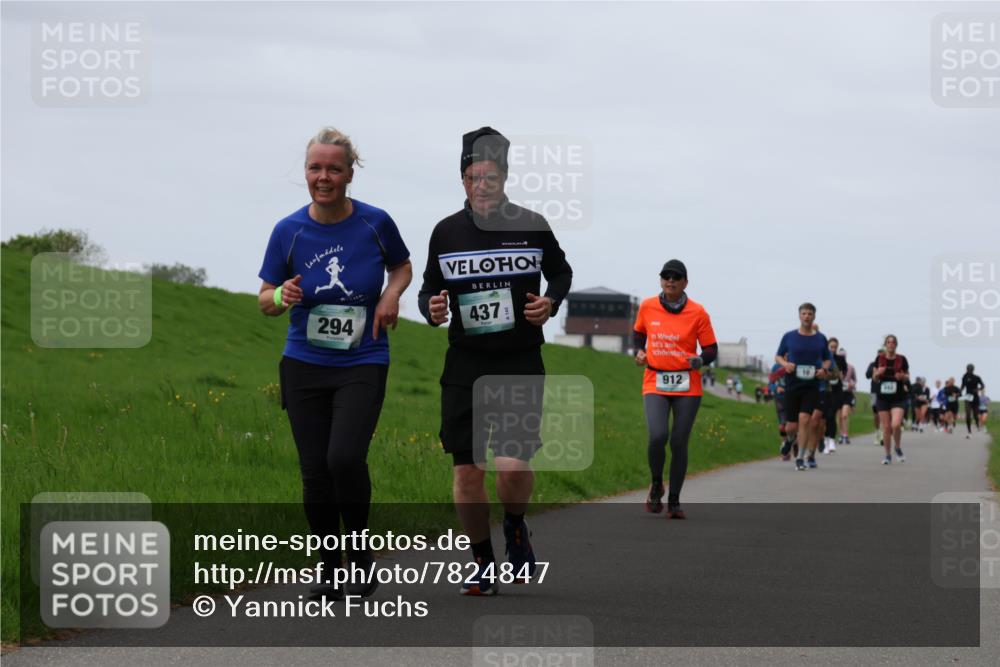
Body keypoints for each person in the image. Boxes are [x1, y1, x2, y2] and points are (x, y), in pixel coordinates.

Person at [258, 127, 412, 601]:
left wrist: (390, 295)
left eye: (333, 169)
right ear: (306, 173)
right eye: (315, 168)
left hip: (363, 358)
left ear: (350, 174)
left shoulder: (374, 222)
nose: (323, 177)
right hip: (303, 363)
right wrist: (283, 294)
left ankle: (360, 555)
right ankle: (328, 566)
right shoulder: (288, 230)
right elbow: (265, 298)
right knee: (315, 471)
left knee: (344, 458)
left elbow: (402, 266)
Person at [417, 127, 573, 595]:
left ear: (504, 178)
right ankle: (483, 563)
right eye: (471, 177)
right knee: (467, 471)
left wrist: (551, 301)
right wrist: (432, 309)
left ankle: (516, 523)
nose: (480, 185)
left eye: (489, 177)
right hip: (465, 362)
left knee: (511, 467)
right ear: (462, 181)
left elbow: (560, 271)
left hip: (519, 360)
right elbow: (428, 287)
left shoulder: (531, 224)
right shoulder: (445, 232)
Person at [634, 259, 718, 519]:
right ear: (661, 280)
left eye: (676, 277)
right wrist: (638, 350)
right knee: (658, 436)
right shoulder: (647, 306)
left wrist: (701, 360)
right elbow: (638, 333)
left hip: (687, 384)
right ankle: (657, 482)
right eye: (666, 276)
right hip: (655, 379)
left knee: (679, 442)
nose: (670, 280)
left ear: (685, 282)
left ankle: (674, 500)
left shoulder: (698, 312)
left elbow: (711, 349)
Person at [775, 303, 832, 471]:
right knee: (791, 426)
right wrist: (786, 364)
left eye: (810, 314)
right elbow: (778, 356)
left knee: (805, 420)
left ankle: (800, 457)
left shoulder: (820, 338)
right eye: (804, 313)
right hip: (793, 383)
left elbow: (827, 358)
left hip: (812, 384)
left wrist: (824, 369)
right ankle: (790, 439)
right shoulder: (789, 336)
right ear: (799, 316)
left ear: (814, 316)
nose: (807, 316)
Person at [872, 335, 910, 464]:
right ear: (885, 345)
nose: (891, 345)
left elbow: (907, 376)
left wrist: (902, 377)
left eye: (893, 342)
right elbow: (874, 378)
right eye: (888, 342)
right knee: (887, 428)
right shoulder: (879, 359)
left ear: (896, 345)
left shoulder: (902, 359)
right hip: (883, 397)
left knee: (896, 424)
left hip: (898, 397)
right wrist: (877, 373)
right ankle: (887, 455)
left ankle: (897, 447)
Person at [959, 364, 985, 439]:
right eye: (967, 369)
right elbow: (962, 386)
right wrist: (960, 392)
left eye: (970, 369)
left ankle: (977, 426)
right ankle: (969, 432)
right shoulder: (964, 377)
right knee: (968, 414)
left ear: (972, 370)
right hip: (968, 397)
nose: (968, 370)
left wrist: (978, 389)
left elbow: (983, 385)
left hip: (975, 397)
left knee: (975, 415)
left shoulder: (977, 378)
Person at [837, 349, 857, 444]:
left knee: (845, 415)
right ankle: (841, 434)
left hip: (847, 393)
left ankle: (846, 434)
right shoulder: (835, 367)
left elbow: (855, 380)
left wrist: (851, 385)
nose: (842, 357)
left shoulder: (851, 367)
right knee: (839, 416)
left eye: (843, 356)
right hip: (838, 393)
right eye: (840, 356)